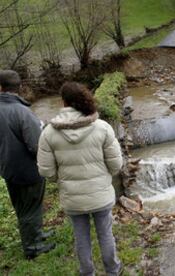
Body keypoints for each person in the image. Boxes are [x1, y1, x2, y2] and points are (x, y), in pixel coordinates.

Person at [37, 82, 123, 276]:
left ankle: (87, 272)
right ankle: (112, 270)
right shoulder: (102, 127)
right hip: (100, 194)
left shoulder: (49, 133)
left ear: (63, 102)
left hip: (72, 198)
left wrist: (61, 180)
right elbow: (116, 165)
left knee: (81, 236)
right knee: (105, 233)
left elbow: (46, 171)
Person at [0, 70, 55, 259]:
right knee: (30, 208)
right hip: (27, 170)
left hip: (8, 168)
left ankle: (36, 235)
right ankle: (32, 247)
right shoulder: (22, 112)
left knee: (23, 207)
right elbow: (36, 145)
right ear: (19, 88)